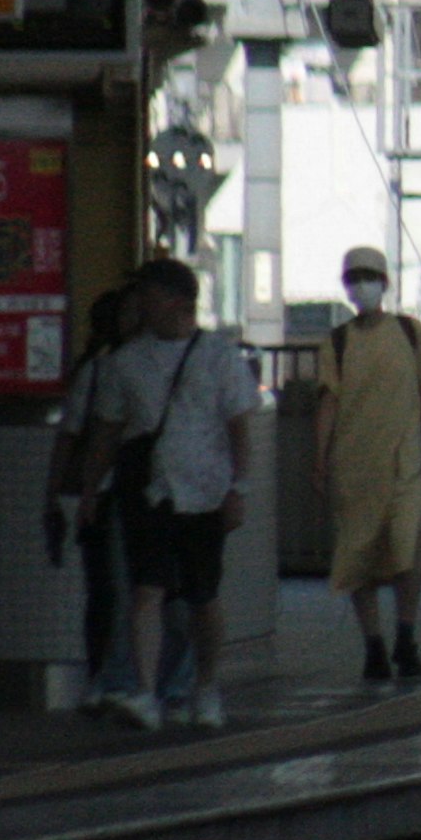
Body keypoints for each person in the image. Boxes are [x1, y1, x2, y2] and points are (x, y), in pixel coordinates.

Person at [79, 256, 261, 729]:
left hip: (205, 494)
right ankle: (144, 693)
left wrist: (238, 488)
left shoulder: (220, 357)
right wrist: (92, 490)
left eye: (149, 294)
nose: (140, 303)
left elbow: (240, 426)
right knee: (147, 592)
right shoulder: (125, 362)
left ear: (179, 302)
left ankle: (205, 687)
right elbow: (107, 431)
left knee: (202, 597)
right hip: (149, 494)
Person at [48, 279, 196, 713]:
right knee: (133, 595)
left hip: (169, 493)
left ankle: (152, 684)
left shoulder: (185, 360)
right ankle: (128, 682)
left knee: (164, 598)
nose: (138, 320)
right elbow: (81, 435)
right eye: (131, 313)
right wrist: (73, 493)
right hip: (121, 495)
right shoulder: (106, 368)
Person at [312, 244, 421, 680]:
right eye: (354, 279)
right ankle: (374, 645)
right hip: (354, 469)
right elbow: (328, 403)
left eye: (368, 277)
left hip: (404, 464)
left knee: (407, 550)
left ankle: (405, 634)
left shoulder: (411, 334)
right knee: (359, 557)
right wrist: (321, 460)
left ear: (385, 283)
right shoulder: (337, 343)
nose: (361, 286)